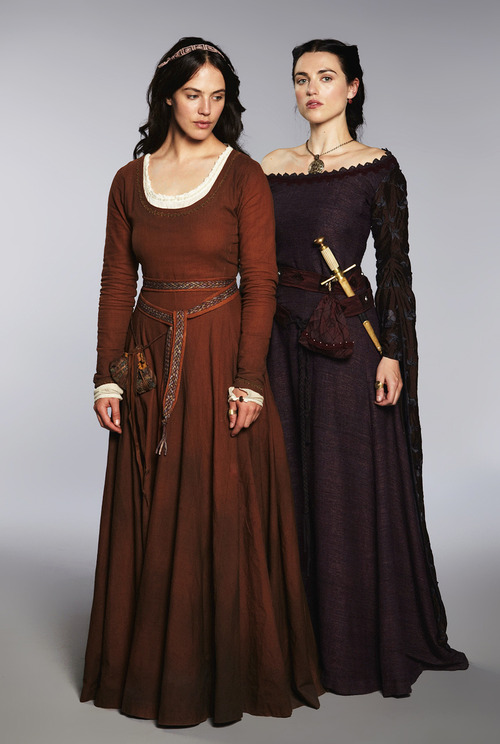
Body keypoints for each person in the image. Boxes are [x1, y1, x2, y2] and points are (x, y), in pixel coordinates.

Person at [81, 37, 322, 727]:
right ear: (168, 96)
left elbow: (262, 284)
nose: (205, 109)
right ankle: (149, 669)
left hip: (219, 355)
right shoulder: (129, 181)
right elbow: (115, 283)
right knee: (149, 502)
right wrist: (106, 379)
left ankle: (221, 675)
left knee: (219, 507)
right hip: (146, 355)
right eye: (193, 94)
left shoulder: (243, 175)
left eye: (217, 97)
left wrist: (249, 381)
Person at [261, 38, 468, 697]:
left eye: (325, 77)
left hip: (348, 346)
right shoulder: (269, 165)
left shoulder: (378, 167)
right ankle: (288, 642)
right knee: (283, 482)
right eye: (301, 79)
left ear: (352, 87)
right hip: (275, 342)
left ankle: (349, 645)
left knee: (342, 486)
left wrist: (393, 353)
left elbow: (395, 271)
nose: (310, 89)